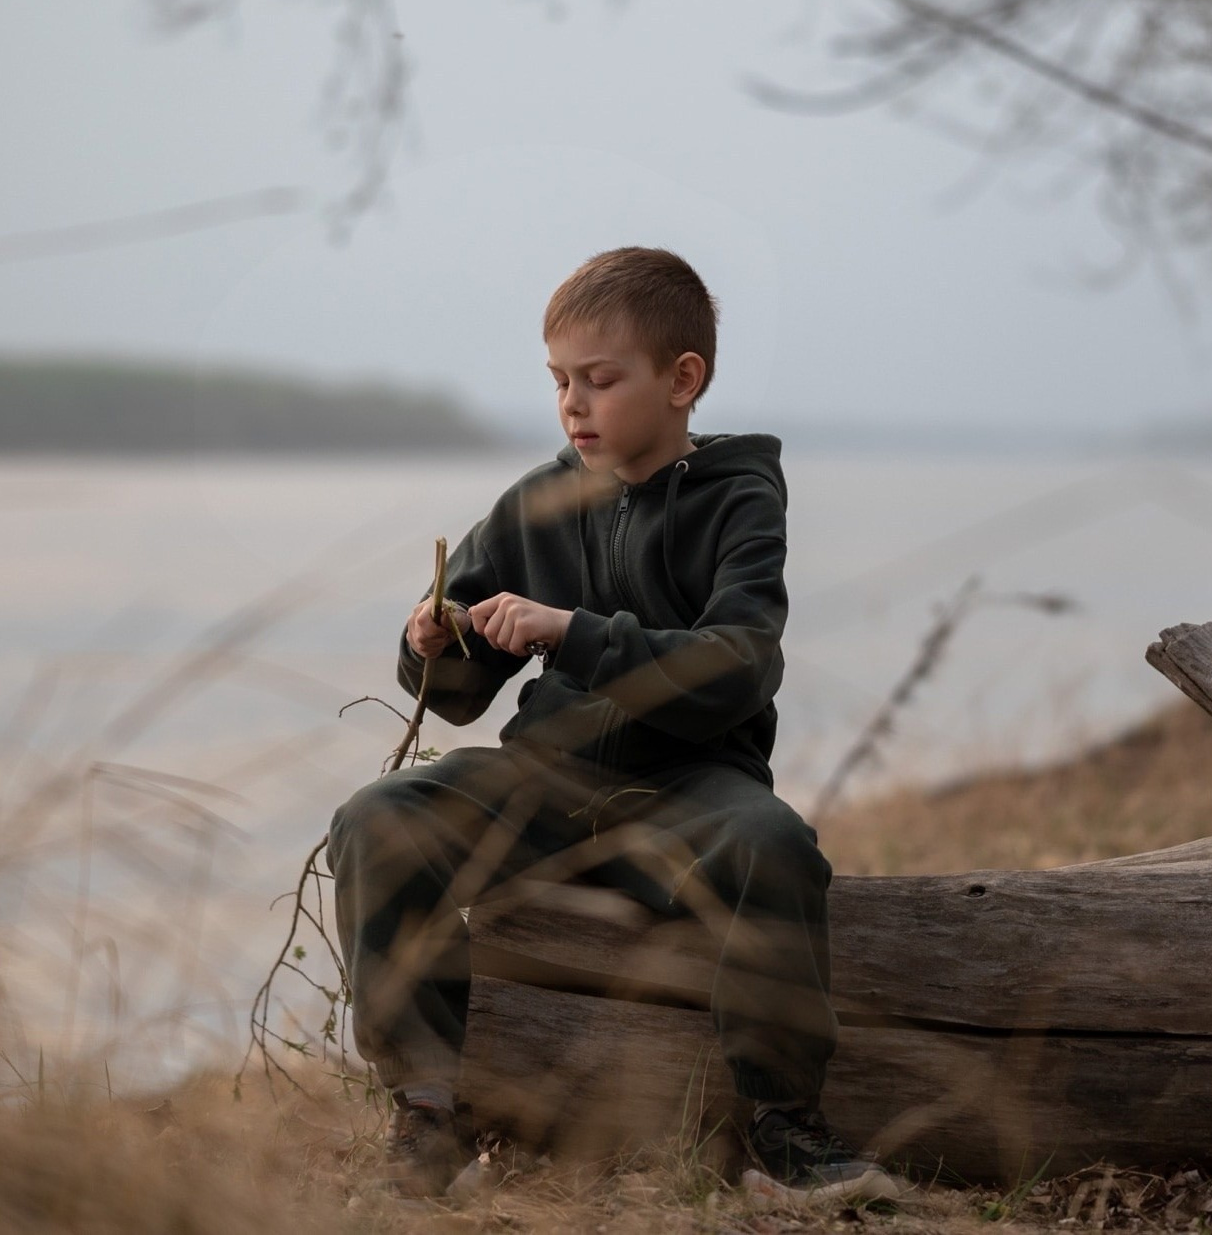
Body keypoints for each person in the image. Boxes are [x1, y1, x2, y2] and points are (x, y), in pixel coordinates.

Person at [328, 247, 897, 1206]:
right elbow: (461, 692)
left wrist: (575, 631)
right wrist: (430, 640)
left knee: (777, 845)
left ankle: (786, 1130)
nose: (574, 406)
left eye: (600, 380)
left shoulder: (740, 496)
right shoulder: (540, 500)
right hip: (545, 784)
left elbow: (741, 661)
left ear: (684, 381)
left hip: (691, 791)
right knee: (376, 817)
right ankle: (429, 1117)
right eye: (559, 382)